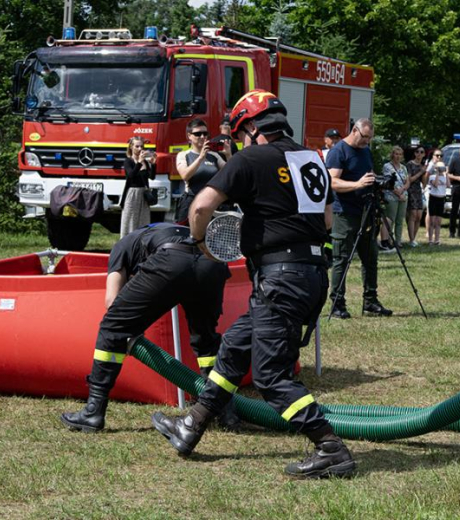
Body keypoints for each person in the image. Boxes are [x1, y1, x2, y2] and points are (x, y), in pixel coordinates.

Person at [150, 90, 356, 479]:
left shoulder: (249, 158)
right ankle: (191, 426)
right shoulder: (310, 159)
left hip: (281, 277)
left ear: (250, 128)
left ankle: (331, 448)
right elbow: (327, 221)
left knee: (271, 377)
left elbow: (200, 207)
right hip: (311, 273)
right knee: (234, 347)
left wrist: (200, 244)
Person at [60, 223, 231, 433]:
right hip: (213, 262)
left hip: (172, 259)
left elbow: (112, 301)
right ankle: (225, 411)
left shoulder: (121, 246)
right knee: (206, 340)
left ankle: (93, 411)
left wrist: (131, 325)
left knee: (113, 326)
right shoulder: (168, 230)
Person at [327, 118, 393, 319]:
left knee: (371, 257)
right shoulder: (339, 151)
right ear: (355, 130)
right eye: (365, 137)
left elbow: (369, 174)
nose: (367, 141)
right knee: (341, 258)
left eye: (370, 138)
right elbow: (332, 182)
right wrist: (357, 184)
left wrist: (377, 183)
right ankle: (338, 304)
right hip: (345, 212)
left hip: (366, 211)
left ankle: (370, 301)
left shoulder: (365, 150)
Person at [175, 118, 226, 223]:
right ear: (189, 136)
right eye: (198, 134)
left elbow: (230, 173)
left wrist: (229, 155)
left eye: (205, 133)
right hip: (192, 201)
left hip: (212, 203)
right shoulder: (183, 155)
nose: (202, 137)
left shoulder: (214, 155)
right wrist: (200, 158)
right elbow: (185, 175)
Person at [120, 137, 156, 238]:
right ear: (131, 147)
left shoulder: (144, 162)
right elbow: (131, 176)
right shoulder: (128, 161)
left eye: (142, 146)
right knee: (130, 222)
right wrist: (139, 163)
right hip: (132, 194)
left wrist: (153, 165)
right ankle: (126, 244)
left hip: (143, 194)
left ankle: (140, 246)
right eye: (137, 146)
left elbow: (151, 177)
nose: (140, 148)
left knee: (143, 222)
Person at [378, 146, 410, 251]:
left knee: (400, 220)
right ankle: (387, 241)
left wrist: (403, 191)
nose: (398, 156)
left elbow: (407, 181)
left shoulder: (403, 167)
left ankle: (398, 241)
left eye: (400, 154)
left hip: (403, 197)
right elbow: (389, 183)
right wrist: (398, 193)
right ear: (392, 155)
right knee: (390, 219)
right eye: (396, 154)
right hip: (391, 196)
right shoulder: (387, 166)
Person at [425, 149, 449, 245]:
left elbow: (448, 185)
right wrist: (438, 174)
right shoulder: (432, 177)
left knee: (438, 221)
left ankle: (437, 239)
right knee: (432, 220)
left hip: (441, 198)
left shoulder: (444, 177)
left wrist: (446, 174)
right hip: (433, 198)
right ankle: (430, 239)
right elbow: (434, 184)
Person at [405, 146, 427, 247]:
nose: (419, 154)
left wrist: (426, 174)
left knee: (419, 216)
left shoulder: (423, 166)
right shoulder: (410, 164)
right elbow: (410, 180)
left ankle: (413, 239)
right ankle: (411, 239)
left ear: (424, 154)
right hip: (411, 191)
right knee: (413, 215)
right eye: (417, 151)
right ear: (414, 153)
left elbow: (424, 183)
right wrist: (421, 172)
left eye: (421, 152)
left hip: (419, 191)